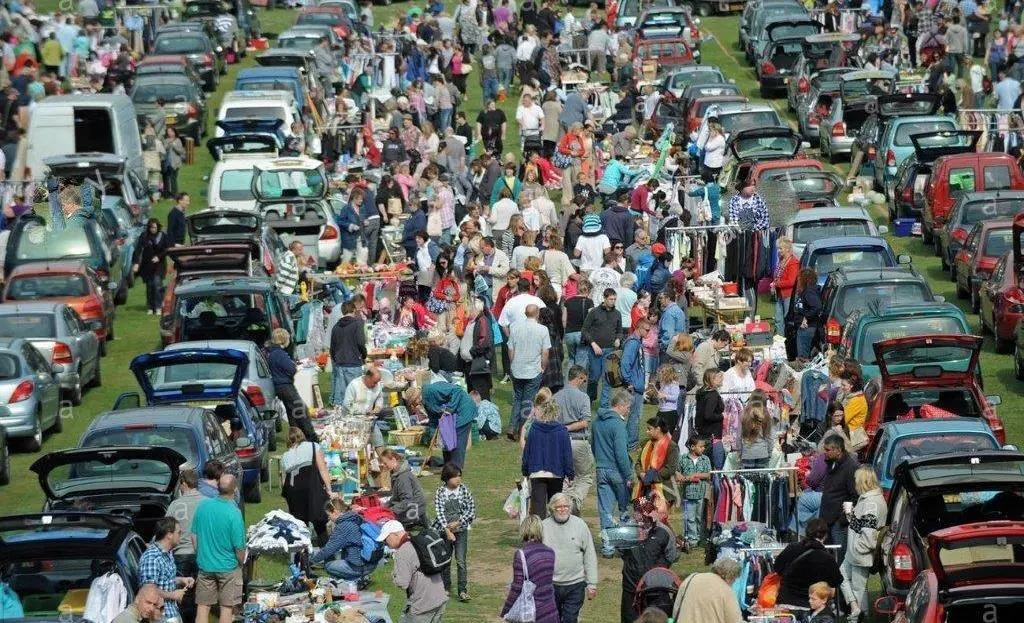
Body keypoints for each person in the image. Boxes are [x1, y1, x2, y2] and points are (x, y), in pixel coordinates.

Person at [192, 474, 245, 623]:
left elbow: (194, 536)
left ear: (217, 487)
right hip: (228, 567)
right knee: (226, 609)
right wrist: (241, 563)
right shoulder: (234, 513)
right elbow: (239, 548)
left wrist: (200, 555)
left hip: (205, 566)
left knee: (202, 608)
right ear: (235, 490)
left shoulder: (203, 506)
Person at [620, 498, 679, 623]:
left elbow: (672, 556)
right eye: (640, 512)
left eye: (647, 511)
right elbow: (621, 552)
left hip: (657, 589)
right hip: (631, 587)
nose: (643, 515)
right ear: (634, 513)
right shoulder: (626, 531)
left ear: (654, 512)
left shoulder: (664, 531)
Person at [840, 467, 887, 622]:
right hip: (855, 553)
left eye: (856, 480)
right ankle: (856, 609)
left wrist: (858, 548)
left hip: (859, 554)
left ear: (862, 481)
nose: (854, 483)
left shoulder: (870, 503)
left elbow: (868, 534)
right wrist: (851, 515)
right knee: (844, 577)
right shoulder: (870, 499)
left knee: (859, 588)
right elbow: (863, 525)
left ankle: (859, 616)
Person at [378, 520, 449, 622]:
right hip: (439, 598)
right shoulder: (416, 541)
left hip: (423, 605)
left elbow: (402, 583)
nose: (385, 543)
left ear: (394, 535)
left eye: (385, 539)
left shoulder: (402, 551)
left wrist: (394, 575)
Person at [543, 493, 598, 623]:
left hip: (575, 584)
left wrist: (592, 584)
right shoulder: (543, 526)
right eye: (559, 507)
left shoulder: (580, 525)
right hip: (550, 585)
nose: (563, 509)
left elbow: (589, 555)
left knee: (570, 619)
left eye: (566, 506)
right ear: (552, 508)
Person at [593, 388, 635, 557]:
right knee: (624, 508)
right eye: (628, 407)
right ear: (620, 405)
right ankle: (624, 545)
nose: (629, 410)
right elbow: (621, 453)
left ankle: (608, 546)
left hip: (601, 468)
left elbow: (593, 445)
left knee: (605, 510)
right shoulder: (618, 424)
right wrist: (628, 475)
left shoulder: (596, 421)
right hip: (617, 471)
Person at [404, 380, 477, 469]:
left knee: (457, 442)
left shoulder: (431, 390)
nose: (414, 406)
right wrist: (432, 434)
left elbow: (457, 390)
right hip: (448, 416)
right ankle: (447, 467)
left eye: (413, 404)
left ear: (416, 398)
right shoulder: (425, 401)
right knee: (446, 441)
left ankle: (456, 470)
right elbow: (433, 417)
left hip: (463, 409)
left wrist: (449, 409)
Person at [774, 518, 843, 610]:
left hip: (785, 601)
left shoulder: (792, 548)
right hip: (812, 606)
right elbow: (837, 581)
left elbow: (777, 568)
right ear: (825, 536)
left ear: (807, 532)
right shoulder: (827, 558)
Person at [521, 397, 574, 518]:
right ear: (556, 412)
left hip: (536, 472)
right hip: (556, 473)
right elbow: (567, 455)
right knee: (555, 508)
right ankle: (553, 533)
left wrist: (525, 470)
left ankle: (537, 534)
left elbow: (527, 452)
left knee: (537, 510)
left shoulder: (534, 428)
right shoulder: (562, 431)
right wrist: (570, 474)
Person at [554, 365, 597, 514]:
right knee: (585, 476)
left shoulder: (556, 397)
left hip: (559, 443)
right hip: (578, 441)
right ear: (578, 378)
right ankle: (573, 502)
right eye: (583, 380)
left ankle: (562, 505)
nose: (583, 384)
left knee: (565, 477)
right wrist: (567, 428)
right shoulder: (583, 397)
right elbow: (585, 422)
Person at [501, 515, 559, 623]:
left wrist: (506, 609)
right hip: (550, 610)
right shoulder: (550, 552)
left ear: (523, 530)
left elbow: (517, 586)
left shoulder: (521, 554)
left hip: (532, 612)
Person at [432, 462, 476, 601]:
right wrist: (447, 530)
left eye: (459, 476)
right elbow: (439, 512)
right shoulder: (440, 492)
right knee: (445, 560)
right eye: (455, 477)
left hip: (461, 530)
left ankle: (462, 590)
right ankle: (445, 588)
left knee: (461, 561)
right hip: (445, 532)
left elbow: (472, 511)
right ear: (447, 478)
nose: (458, 479)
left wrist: (458, 522)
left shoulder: (464, 491)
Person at [280, 426, 332, 541]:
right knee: (319, 521)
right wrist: (329, 489)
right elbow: (322, 469)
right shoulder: (313, 446)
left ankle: (303, 554)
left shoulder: (285, 456)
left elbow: (284, 481)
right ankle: (326, 552)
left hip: (293, 491)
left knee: (300, 525)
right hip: (311, 487)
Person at [508, 303, 551, 439]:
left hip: (517, 368)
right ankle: (523, 428)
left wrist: (512, 363)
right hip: (533, 369)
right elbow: (545, 352)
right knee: (528, 400)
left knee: (518, 398)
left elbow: (510, 349)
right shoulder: (543, 330)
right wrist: (543, 367)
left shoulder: (515, 328)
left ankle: (512, 426)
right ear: (537, 313)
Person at [138, 517, 194, 621]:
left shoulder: (168, 553)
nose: (180, 536)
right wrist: (173, 595)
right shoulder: (152, 558)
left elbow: (164, 579)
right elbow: (148, 590)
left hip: (171, 612)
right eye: (178, 533)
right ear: (169, 534)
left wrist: (181, 580)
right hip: (160, 616)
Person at [268, 328, 317, 442]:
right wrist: (293, 367)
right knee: (301, 409)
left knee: (292, 412)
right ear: (283, 340)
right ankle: (311, 436)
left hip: (279, 386)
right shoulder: (279, 354)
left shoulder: (272, 353)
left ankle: (295, 437)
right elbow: (291, 369)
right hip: (285, 385)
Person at [309, 497, 374, 580]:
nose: (329, 518)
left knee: (328, 565)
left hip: (359, 565)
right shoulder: (355, 518)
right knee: (338, 554)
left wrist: (311, 561)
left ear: (335, 511)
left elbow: (328, 549)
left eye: (329, 515)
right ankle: (360, 577)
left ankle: (355, 579)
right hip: (370, 562)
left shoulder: (343, 526)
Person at [581, 288, 624, 402]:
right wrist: (593, 344)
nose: (613, 301)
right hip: (595, 350)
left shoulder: (617, 314)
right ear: (604, 298)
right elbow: (584, 330)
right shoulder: (594, 312)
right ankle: (590, 398)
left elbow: (620, 331)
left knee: (607, 378)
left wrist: (618, 339)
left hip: (610, 351)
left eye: (614, 299)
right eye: (611, 299)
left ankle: (604, 405)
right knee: (594, 377)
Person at [671, 557, 742, 623]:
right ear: (731, 576)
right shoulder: (727, 591)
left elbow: (676, 609)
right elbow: (735, 620)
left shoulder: (691, 578)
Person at [633, 416, 679, 504]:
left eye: (649, 429)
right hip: (644, 488)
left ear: (658, 429)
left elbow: (670, 468)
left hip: (662, 489)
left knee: (658, 516)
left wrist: (651, 477)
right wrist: (641, 473)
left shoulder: (671, 446)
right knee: (642, 513)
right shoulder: (646, 443)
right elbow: (638, 463)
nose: (647, 431)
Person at [379, 448, 429, 528]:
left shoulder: (403, 477)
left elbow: (407, 500)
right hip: (412, 506)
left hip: (415, 509)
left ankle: (417, 521)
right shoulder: (396, 473)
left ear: (393, 459)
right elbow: (396, 497)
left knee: (385, 520)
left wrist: (390, 510)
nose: (384, 466)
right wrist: (385, 506)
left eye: (385, 463)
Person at [620, 318, 649, 449]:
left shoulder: (637, 341)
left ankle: (631, 442)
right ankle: (631, 444)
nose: (648, 333)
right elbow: (625, 363)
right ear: (640, 328)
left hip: (637, 385)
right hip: (633, 386)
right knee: (634, 416)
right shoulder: (633, 343)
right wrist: (629, 382)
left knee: (634, 415)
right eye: (647, 330)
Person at [678, 435, 711, 551]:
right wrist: (681, 477)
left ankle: (700, 536)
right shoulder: (683, 459)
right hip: (688, 494)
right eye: (700, 446)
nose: (703, 449)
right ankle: (692, 539)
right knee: (690, 518)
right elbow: (677, 471)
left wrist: (697, 475)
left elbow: (708, 474)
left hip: (701, 494)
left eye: (703, 447)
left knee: (699, 517)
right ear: (692, 447)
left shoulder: (705, 459)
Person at [330, 301, 366, 406]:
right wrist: (363, 355)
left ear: (342, 311)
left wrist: (335, 359)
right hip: (354, 362)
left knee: (341, 400)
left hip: (340, 363)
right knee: (356, 398)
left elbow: (333, 347)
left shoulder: (336, 327)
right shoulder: (357, 324)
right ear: (354, 310)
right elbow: (360, 342)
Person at [460, 299, 496, 399]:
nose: (468, 311)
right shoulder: (474, 320)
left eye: (470, 309)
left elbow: (484, 341)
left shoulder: (482, 320)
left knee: (481, 394)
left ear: (476, 310)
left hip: (477, 364)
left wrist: (472, 352)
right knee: (472, 394)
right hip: (470, 363)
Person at [132, 218, 169, 316]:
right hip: (147, 265)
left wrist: (159, 257)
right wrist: (136, 263)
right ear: (149, 227)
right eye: (152, 227)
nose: (154, 229)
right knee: (149, 286)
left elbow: (166, 249)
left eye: (155, 227)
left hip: (159, 265)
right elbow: (138, 250)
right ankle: (150, 307)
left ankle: (158, 307)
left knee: (157, 285)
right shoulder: (144, 236)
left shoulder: (162, 236)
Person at [791, 267, 822, 358]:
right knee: (804, 356)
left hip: (807, 328)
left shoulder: (809, 292)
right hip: (804, 328)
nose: (798, 281)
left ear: (805, 280)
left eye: (800, 279)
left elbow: (817, 307)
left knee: (803, 358)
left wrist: (806, 317)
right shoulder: (806, 291)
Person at [772, 237, 799, 336]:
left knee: (788, 320)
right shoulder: (781, 260)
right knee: (778, 320)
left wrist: (777, 284)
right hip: (780, 294)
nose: (779, 251)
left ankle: (788, 342)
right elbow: (777, 276)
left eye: (781, 248)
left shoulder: (793, 262)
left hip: (789, 296)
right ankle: (780, 342)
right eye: (778, 248)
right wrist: (774, 284)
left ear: (787, 248)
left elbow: (791, 282)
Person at [840, 364, 868, 451]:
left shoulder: (856, 400)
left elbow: (842, 420)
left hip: (852, 437)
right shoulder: (852, 397)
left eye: (844, 385)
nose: (842, 387)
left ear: (851, 385)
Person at [740, 401, 774, 469]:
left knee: (747, 479)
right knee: (763, 478)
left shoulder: (744, 417)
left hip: (747, 453)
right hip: (762, 453)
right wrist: (769, 453)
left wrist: (740, 453)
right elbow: (769, 438)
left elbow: (738, 438)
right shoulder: (766, 417)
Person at [162, 127, 185, 198]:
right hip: (167, 163)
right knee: (167, 179)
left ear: (174, 132)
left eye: (171, 131)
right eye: (168, 131)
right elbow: (164, 149)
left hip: (176, 163)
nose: (170, 133)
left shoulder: (178, 140)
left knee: (173, 178)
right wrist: (169, 144)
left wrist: (174, 146)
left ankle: (175, 194)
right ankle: (168, 194)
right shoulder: (166, 140)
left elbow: (181, 151)